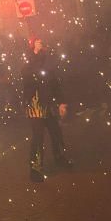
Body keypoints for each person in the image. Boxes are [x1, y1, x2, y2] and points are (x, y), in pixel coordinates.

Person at [22, 38, 70, 182]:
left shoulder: (48, 61)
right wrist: (35, 54)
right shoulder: (27, 61)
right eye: (38, 42)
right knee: (38, 137)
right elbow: (28, 75)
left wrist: (61, 102)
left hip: (47, 103)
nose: (41, 44)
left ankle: (60, 157)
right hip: (34, 104)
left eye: (42, 42)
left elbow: (55, 82)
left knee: (56, 132)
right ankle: (35, 169)